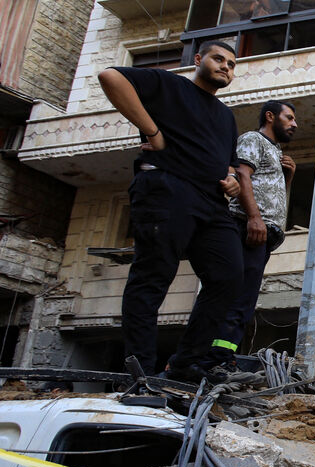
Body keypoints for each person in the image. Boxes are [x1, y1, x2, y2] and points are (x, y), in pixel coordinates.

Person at [98, 40, 243, 380]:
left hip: (212, 203)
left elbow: (231, 164)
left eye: (232, 64)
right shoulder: (170, 84)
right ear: (198, 59)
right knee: (153, 278)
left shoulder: (225, 116)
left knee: (229, 277)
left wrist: (233, 179)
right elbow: (110, 77)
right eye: (218, 59)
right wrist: (152, 131)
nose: (225, 67)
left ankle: (185, 364)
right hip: (168, 188)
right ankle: (142, 373)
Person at [207, 100, 298, 368]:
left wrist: (287, 177)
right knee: (235, 297)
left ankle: (223, 355)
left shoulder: (276, 151)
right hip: (246, 227)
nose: (294, 124)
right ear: (270, 117)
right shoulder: (252, 139)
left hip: (263, 234)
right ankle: (215, 357)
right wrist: (255, 218)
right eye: (289, 118)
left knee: (245, 300)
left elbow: (268, 190)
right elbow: (243, 176)